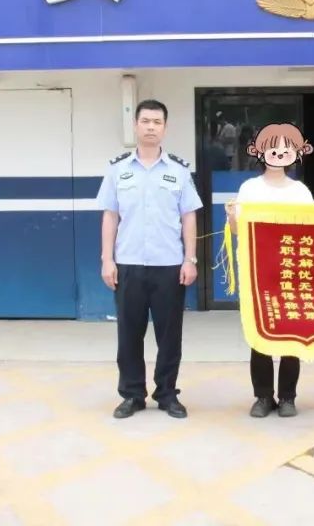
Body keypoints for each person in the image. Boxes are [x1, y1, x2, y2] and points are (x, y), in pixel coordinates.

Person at [225, 122, 314, 418]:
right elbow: (236, 230)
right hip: (259, 275)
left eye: (286, 149)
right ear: (259, 152)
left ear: (297, 153)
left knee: (291, 333)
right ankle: (263, 397)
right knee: (259, 332)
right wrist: (233, 216)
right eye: (272, 148)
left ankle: (287, 397)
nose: (278, 153)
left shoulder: (299, 191)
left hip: (292, 272)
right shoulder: (249, 188)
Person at [97, 99, 203, 419]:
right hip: (128, 264)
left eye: (157, 122)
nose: (151, 127)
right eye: (145, 121)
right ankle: (132, 395)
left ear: (165, 128)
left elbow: (188, 217)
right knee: (129, 334)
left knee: (169, 336)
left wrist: (190, 259)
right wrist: (107, 260)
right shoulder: (118, 170)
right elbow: (110, 216)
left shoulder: (179, 171)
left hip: (168, 265)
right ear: (136, 125)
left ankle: (167, 394)